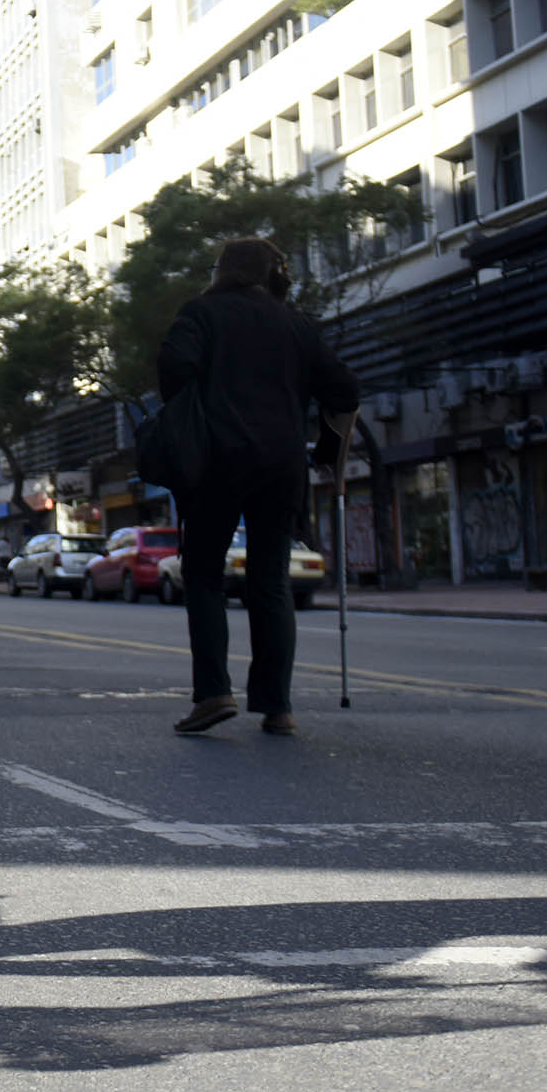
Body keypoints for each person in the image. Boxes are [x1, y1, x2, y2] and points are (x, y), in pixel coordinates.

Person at [160, 236, 361, 739]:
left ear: (222, 271)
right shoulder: (296, 325)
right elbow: (345, 390)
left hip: (217, 461)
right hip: (281, 465)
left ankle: (214, 694)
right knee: (269, 580)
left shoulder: (201, 313)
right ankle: (277, 706)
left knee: (203, 573)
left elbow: (174, 370)